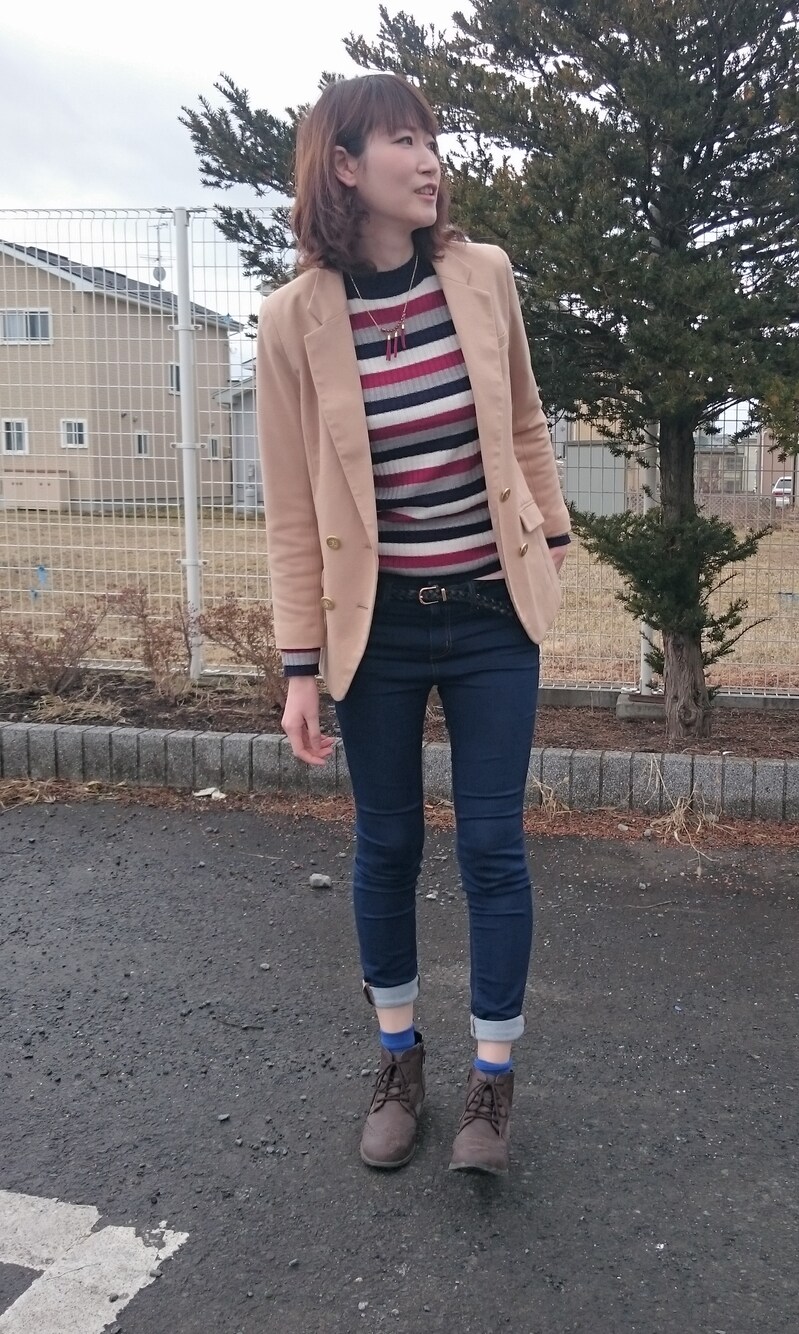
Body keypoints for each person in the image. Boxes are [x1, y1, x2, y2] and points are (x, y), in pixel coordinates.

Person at [256, 72, 571, 1176]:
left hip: (491, 615)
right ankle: (398, 1059)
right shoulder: (293, 320)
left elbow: (524, 421)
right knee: (386, 844)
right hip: (373, 631)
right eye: (402, 139)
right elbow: (292, 506)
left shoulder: (482, 276)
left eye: (432, 136)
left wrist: (555, 537)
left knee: (493, 846)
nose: (430, 157)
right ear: (345, 167)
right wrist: (299, 666)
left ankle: (492, 1078)